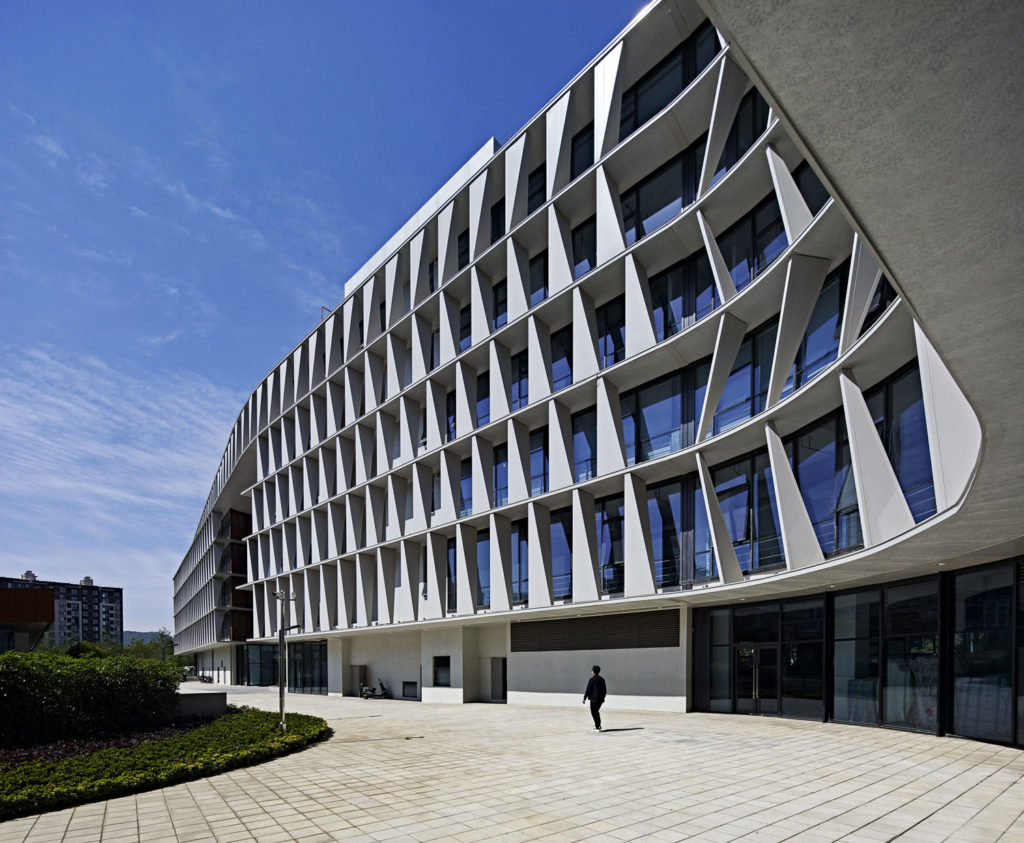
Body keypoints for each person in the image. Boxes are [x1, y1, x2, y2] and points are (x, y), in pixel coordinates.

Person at [583, 665, 606, 731]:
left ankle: (597, 726)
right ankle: (598, 725)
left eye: (592, 670)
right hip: (600, 699)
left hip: (593, 699)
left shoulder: (591, 679)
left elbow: (588, 689)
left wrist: (584, 698)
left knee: (594, 712)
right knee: (596, 712)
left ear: (593, 671)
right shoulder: (602, 679)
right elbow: (604, 690)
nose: (591, 671)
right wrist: (603, 698)